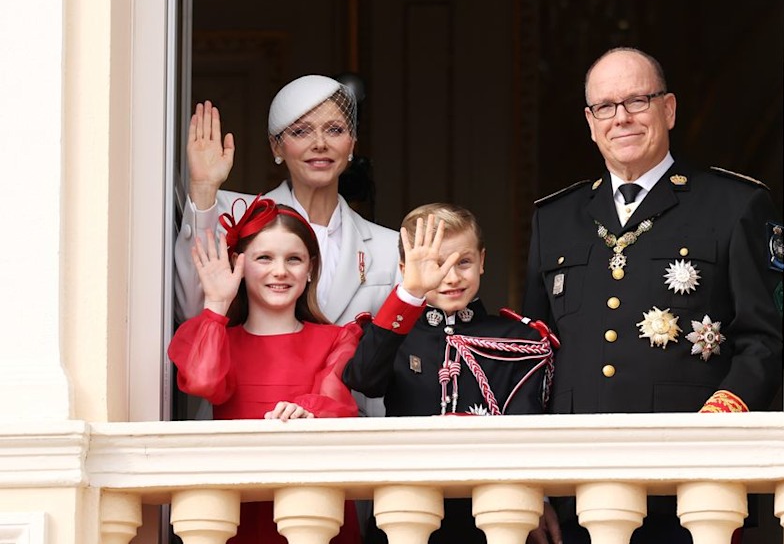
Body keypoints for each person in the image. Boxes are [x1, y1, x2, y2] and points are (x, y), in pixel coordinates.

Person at [523, 47, 784, 543]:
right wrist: (531, 481)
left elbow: (765, 338)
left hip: (692, 488)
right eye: (605, 106)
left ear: (668, 109)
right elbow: (533, 356)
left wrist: (713, 430)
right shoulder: (554, 219)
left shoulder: (734, 205)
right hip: (576, 484)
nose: (621, 117)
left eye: (637, 101)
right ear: (590, 122)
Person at [174, 74, 400, 417]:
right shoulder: (235, 217)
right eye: (301, 131)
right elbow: (193, 311)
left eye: (335, 130)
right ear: (276, 146)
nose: (320, 144)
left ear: (352, 142)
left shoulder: (389, 246)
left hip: (348, 429)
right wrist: (204, 190)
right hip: (236, 425)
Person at [342, 204, 558, 544]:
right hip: (406, 514)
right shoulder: (393, 335)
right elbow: (363, 379)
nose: (452, 277)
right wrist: (410, 294)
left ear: (482, 261)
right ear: (405, 269)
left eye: (464, 262)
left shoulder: (519, 339)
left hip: (492, 518)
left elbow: (528, 429)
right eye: (435, 265)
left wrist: (538, 497)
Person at [167, 196, 363, 544]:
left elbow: (339, 405)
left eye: (294, 259)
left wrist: (306, 409)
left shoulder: (337, 338)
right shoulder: (218, 338)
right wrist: (216, 303)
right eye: (264, 258)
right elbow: (203, 382)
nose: (280, 271)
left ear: (311, 268)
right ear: (239, 266)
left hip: (313, 507)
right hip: (236, 508)